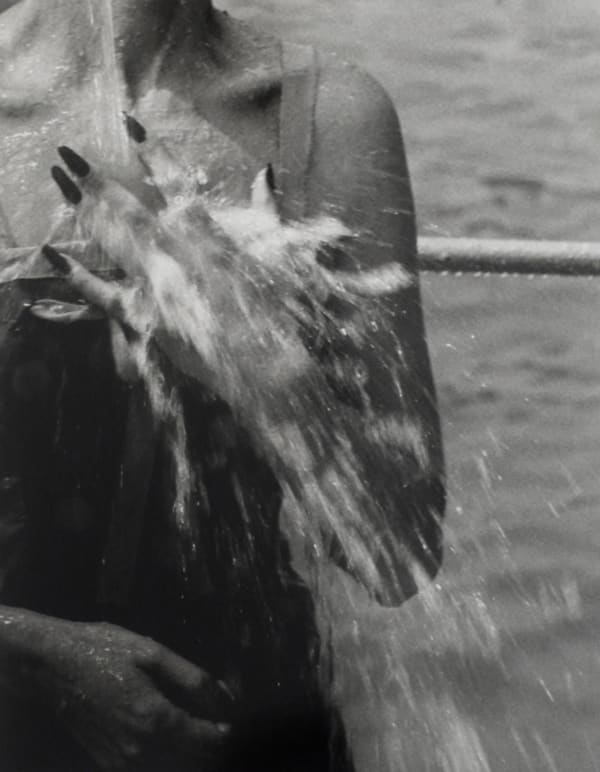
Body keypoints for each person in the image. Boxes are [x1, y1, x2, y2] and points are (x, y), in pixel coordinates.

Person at [0, 1, 446, 770]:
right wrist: (35, 654)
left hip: (247, 728)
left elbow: (398, 552)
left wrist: (253, 355)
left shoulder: (324, 115)